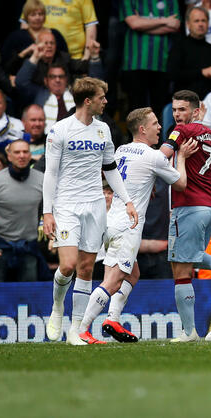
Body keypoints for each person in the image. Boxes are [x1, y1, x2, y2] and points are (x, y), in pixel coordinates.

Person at [77, 107, 193, 344]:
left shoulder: (121, 150)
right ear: (142, 129)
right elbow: (180, 184)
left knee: (133, 274)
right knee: (113, 280)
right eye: (154, 124)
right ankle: (81, 329)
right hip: (128, 226)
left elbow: (131, 177)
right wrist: (181, 157)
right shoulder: (153, 156)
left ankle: (113, 318)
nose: (159, 127)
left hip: (111, 222)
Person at [43, 78, 138, 345]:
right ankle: (57, 307)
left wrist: (127, 200)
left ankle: (75, 331)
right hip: (66, 204)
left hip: (95, 204)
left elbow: (110, 168)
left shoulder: (103, 129)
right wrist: (47, 212)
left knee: (86, 269)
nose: (106, 101)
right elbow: (50, 173)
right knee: (68, 265)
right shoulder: (60, 130)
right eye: (102, 97)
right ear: (88, 100)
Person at [160, 89, 211, 341]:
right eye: (174, 110)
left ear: (196, 111)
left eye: (182, 109)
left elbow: (163, 155)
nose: (177, 114)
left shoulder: (180, 132)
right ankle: (190, 331)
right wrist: (209, 190)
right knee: (184, 261)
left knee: (181, 270)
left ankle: (189, 332)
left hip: (189, 207)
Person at [120, 0, 180, 114]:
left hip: (162, 62)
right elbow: (134, 24)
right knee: (136, 110)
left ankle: (159, 140)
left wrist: (143, 23)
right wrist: (164, 21)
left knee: (159, 110)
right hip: (135, 63)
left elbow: (174, 26)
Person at [0, 140, 44, 282]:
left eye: (25, 152)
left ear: (30, 155)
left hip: (29, 247)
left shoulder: (42, 180)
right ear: (9, 157)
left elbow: (55, 210)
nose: (21, 155)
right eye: (17, 152)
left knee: (28, 297)